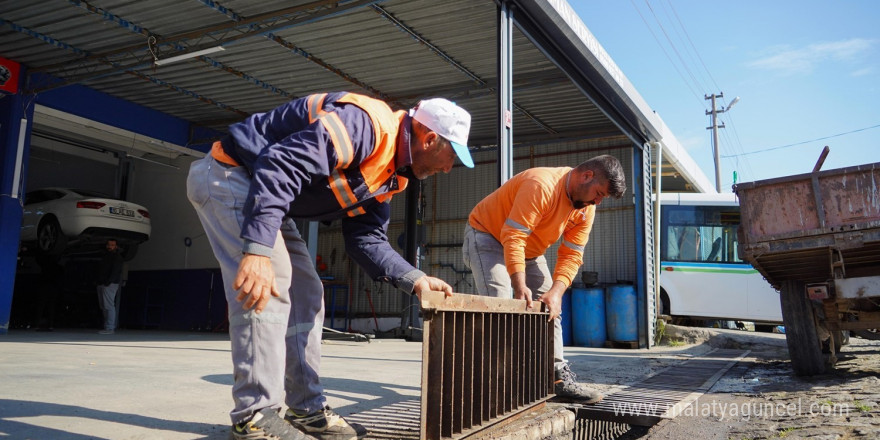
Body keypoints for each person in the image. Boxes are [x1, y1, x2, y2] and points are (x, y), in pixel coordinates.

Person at [187, 92, 473, 440]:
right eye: (451, 156)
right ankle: (255, 417)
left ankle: (306, 408)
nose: (447, 168)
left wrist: (414, 279)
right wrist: (259, 250)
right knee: (270, 285)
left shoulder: (392, 175)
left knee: (307, 292)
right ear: (429, 138)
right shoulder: (366, 125)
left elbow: (366, 238)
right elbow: (281, 165)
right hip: (230, 174)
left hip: (268, 194)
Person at [462, 155, 626, 404]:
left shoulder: (585, 209)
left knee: (552, 307)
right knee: (498, 301)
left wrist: (557, 293)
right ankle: (492, 385)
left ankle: (556, 377)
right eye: (599, 193)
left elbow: (572, 255)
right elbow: (513, 236)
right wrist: (519, 286)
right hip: (488, 236)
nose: (598, 202)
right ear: (587, 176)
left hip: (530, 250)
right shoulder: (542, 185)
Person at [95, 239, 123, 335]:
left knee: (109, 306)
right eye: (109, 244)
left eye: (112, 245)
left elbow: (115, 271)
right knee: (104, 306)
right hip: (103, 283)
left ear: (116, 246)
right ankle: (107, 326)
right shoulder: (105, 256)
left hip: (109, 284)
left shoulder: (117, 257)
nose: (110, 246)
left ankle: (110, 328)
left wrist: (109, 282)